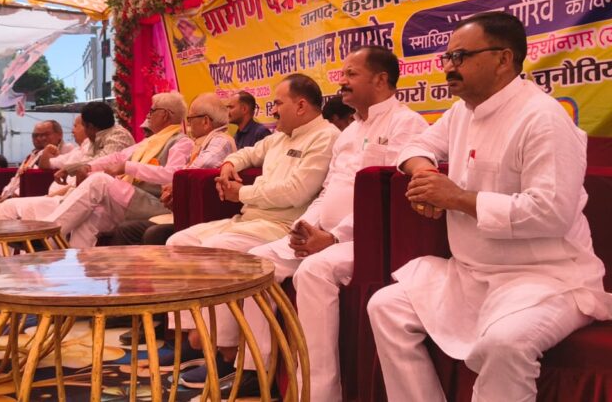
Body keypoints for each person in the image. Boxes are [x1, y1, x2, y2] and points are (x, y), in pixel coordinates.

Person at [366, 11, 612, 402]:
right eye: (447, 57)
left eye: (460, 57)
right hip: (472, 276)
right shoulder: (463, 112)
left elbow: (550, 212)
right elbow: (417, 146)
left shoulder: (543, 119)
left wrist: (456, 198)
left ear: (503, 59)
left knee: (504, 344)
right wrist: (427, 177)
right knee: (386, 307)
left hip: (548, 280)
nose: (448, 67)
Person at [209, 46, 427, 399]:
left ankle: (318, 392)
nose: (342, 81)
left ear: (381, 79)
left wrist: (334, 237)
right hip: (324, 233)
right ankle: (255, 368)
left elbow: (389, 200)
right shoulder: (350, 132)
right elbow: (328, 192)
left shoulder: (407, 125)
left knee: (313, 271)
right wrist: (305, 227)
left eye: (352, 74)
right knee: (255, 262)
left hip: (370, 239)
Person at [167, 74, 340, 388]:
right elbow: (245, 153)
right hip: (250, 220)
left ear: (301, 106)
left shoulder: (325, 137)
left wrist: (242, 193)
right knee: (178, 241)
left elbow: (296, 192)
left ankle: (226, 352)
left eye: (278, 103)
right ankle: (190, 338)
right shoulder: (279, 137)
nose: (272, 110)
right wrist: (228, 166)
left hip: (282, 225)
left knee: (218, 248)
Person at [45, 92, 200, 249]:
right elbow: (117, 157)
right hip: (132, 201)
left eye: (152, 111)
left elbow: (172, 175)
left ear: (165, 115)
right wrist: (88, 167)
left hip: (156, 205)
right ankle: (71, 261)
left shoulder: (182, 142)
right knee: (88, 220)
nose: (148, 115)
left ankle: (45, 235)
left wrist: (128, 167)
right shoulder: (149, 142)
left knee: (100, 180)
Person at [108, 92, 237, 246]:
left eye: (190, 119)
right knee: (126, 229)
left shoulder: (220, 140)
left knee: (147, 232)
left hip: (207, 215)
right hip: (184, 209)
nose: (188, 124)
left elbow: (201, 166)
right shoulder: (201, 142)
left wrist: (174, 186)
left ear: (205, 121)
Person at [0, 116, 92, 222]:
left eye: (45, 135)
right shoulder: (76, 151)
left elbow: (75, 185)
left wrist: (49, 196)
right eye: (35, 136)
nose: (39, 138)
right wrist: (5, 194)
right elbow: (46, 165)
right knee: (2, 207)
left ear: (59, 134)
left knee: (9, 206)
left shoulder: (68, 149)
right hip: (53, 197)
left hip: (64, 198)